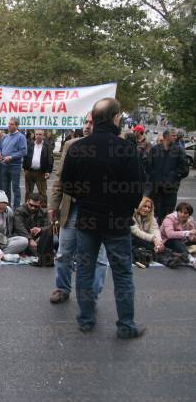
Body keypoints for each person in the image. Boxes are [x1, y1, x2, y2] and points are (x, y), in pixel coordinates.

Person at [61, 97, 145, 339]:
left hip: (87, 218)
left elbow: (67, 184)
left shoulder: (78, 147)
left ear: (95, 120)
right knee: (122, 274)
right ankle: (126, 325)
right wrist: (123, 208)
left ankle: (86, 319)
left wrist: (86, 198)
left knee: (85, 270)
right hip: (116, 221)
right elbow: (136, 188)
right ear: (115, 118)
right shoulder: (125, 148)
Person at [48, 113, 108, 305]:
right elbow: (60, 178)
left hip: (99, 211)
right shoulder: (71, 145)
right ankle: (62, 288)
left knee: (98, 258)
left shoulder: (112, 146)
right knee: (64, 253)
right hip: (72, 208)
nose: (88, 126)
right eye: (86, 122)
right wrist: (53, 205)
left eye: (92, 122)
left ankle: (92, 294)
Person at [146, 127, 189, 223]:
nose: (175, 137)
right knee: (154, 211)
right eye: (173, 135)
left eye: (175, 135)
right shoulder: (154, 149)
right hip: (156, 187)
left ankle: (167, 233)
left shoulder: (179, 150)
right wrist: (154, 177)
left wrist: (173, 176)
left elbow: (184, 169)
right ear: (166, 136)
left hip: (171, 188)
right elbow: (148, 166)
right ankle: (155, 233)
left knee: (169, 212)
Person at [0, 190, 28, 258]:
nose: (1, 211)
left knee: (24, 241)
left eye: (3, 209)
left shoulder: (8, 211)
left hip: (2, 241)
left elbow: (9, 230)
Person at [13, 193, 54, 267]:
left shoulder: (43, 212)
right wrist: (30, 239)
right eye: (31, 205)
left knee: (55, 241)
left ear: (40, 205)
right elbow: (19, 227)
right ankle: (35, 252)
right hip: (23, 235)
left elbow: (49, 226)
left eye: (36, 206)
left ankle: (37, 252)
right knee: (23, 242)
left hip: (37, 236)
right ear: (27, 201)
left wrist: (40, 229)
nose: (33, 208)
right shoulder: (19, 211)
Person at [0, 117, 27, 208]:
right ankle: (7, 208)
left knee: (15, 189)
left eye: (11, 124)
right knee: (5, 189)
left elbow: (23, 151)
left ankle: (16, 209)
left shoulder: (21, 137)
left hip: (15, 166)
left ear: (17, 126)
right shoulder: (5, 136)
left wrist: (12, 157)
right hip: (4, 165)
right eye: (9, 124)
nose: (9, 126)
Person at [22, 129, 53, 207]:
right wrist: (25, 169)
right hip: (29, 172)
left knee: (43, 193)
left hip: (41, 172)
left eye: (40, 134)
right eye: (37, 134)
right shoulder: (30, 145)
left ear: (43, 136)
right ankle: (27, 209)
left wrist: (48, 171)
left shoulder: (47, 146)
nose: (38, 136)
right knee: (28, 192)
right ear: (34, 135)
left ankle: (43, 211)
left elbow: (50, 160)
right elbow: (25, 157)